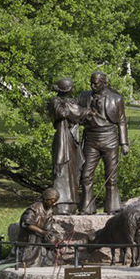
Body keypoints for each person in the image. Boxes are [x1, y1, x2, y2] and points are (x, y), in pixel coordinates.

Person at [77, 71, 129, 214]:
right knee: (86, 175)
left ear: (104, 83)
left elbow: (122, 121)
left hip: (110, 138)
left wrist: (124, 143)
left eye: (97, 83)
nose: (94, 86)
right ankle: (86, 208)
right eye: (92, 83)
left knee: (111, 176)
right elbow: (74, 112)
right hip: (91, 139)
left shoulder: (116, 98)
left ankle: (112, 208)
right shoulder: (84, 96)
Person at [48, 77, 91, 215]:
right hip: (63, 139)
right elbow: (63, 113)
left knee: (73, 170)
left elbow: (78, 113)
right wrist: (80, 111)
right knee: (62, 170)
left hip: (71, 139)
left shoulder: (68, 102)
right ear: (66, 89)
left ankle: (72, 203)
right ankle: (60, 203)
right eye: (71, 87)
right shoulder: (55, 101)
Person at [15, 189, 61, 267]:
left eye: (55, 202)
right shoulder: (34, 209)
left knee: (52, 239)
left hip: (40, 236)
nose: (54, 204)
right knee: (31, 260)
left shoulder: (49, 210)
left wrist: (52, 233)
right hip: (30, 237)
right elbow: (26, 224)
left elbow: (49, 225)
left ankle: (47, 260)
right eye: (52, 201)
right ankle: (29, 261)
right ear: (46, 200)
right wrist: (42, 232)